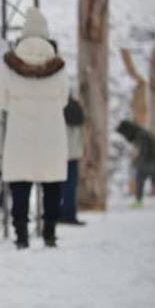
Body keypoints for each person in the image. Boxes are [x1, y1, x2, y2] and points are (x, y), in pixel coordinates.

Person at [0, 7, 69, 249]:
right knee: (52, 188)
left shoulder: (9, 64)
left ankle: (21, 237)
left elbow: (2, 100)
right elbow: (64, 99)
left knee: (20, 187)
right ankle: (49, 234)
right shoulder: (58, 65)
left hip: (20, 134)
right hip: (52, 135)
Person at [115, 120, 155, 206]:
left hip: (153, 160)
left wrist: (137, 161)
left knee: (140, 177)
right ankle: (139, 200)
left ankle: (138, 201)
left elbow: (144, 151)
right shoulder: (141, 133)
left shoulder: (141, 135)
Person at [59, 93, 87, 225]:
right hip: (69, 154)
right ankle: (67, 214)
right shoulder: (73, 107)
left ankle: (64, 214)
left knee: (63, 187)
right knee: (68, 187)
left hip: (64, 154)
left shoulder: (61, 108)